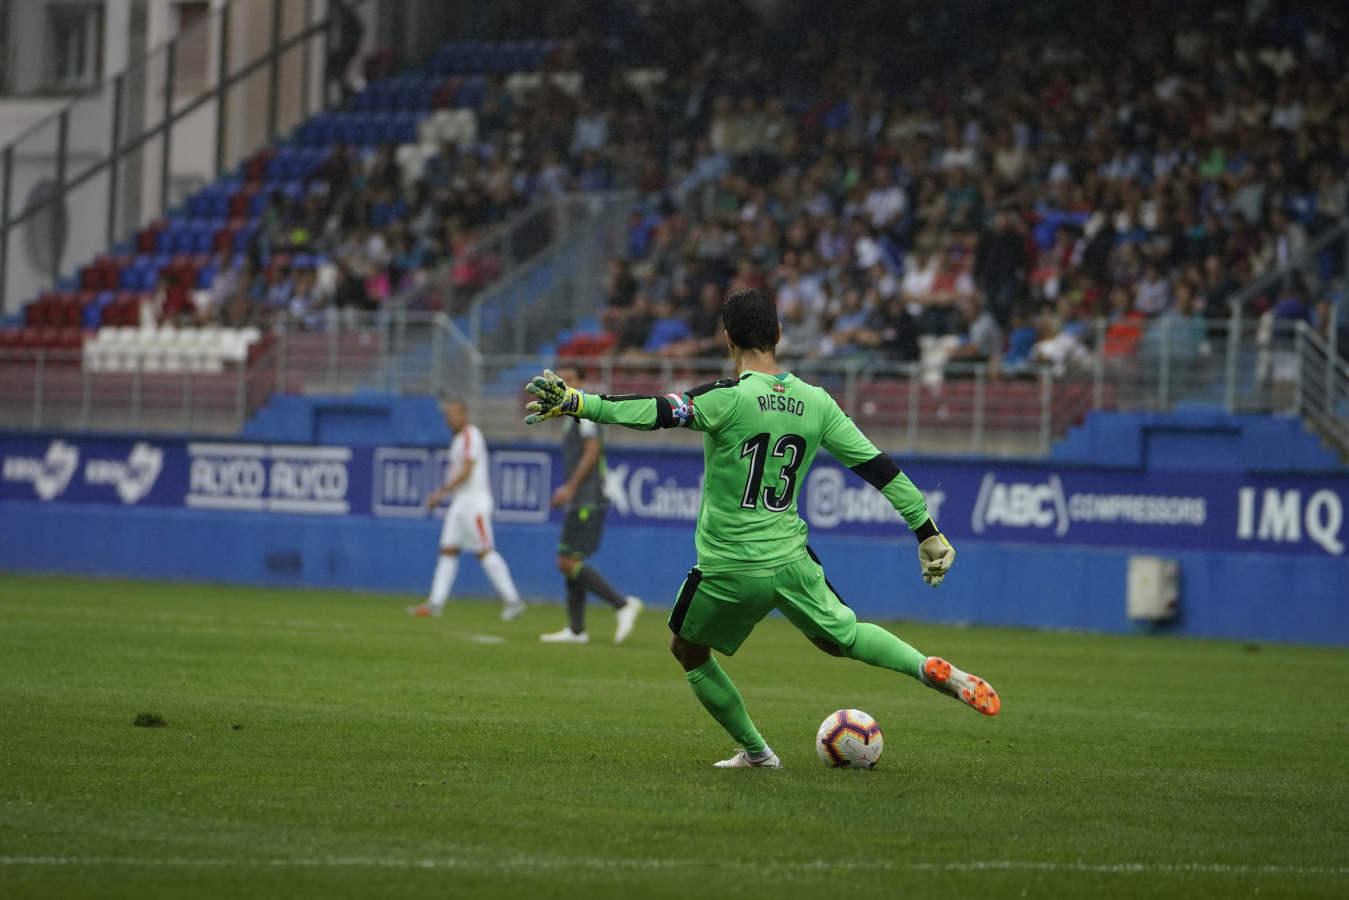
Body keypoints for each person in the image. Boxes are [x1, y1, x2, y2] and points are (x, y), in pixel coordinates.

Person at [524, 288, 999, 769]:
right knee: (843, 637)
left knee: (687, 649)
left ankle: (758, 753)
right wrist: (927, 531)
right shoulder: (817, 402)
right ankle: (925, 667)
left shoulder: (725, 398)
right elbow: (878, 467)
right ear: (778, 334)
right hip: (791, 560)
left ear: (727, 339)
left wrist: (580, 403)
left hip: (729, 565)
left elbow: (657, 412)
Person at [538, 363, 643, 645]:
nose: (563, 385)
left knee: (567, 561)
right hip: (582, 496)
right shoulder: (571, 413)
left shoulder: (583, 412)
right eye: (561, 381)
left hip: (587, 496)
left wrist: (570, 487)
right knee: (572, 559)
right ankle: (576, 630)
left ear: (582, 381)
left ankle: (622, 604)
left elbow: (593, 450)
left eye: (570, 379)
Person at [408, 399, 525, 622]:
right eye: (447, 415)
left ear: (464, 413)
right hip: (460, 503)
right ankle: (435, 603)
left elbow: (467, 471)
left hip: (475, 503)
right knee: (448, 550)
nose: (449, 419)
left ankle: (513, 601)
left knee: (485, 551)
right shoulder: (459, 439)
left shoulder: (471, 435)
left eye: (453, 414)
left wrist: (441, 493)